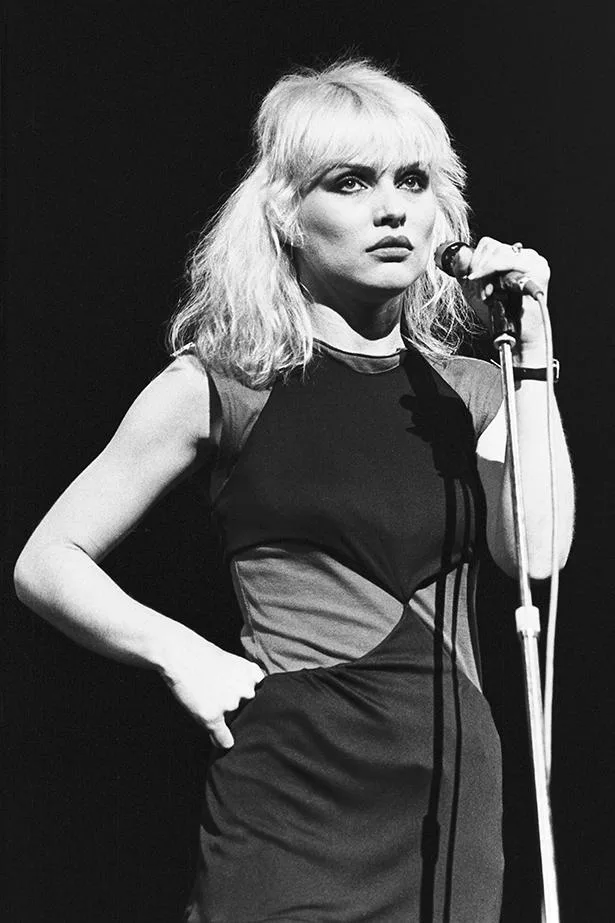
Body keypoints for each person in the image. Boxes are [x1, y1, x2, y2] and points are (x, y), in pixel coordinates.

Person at [14, 59, 575, 922]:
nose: (391, 208)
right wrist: (179, 652)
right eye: (350, 182)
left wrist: (531, 354)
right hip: (291, 797)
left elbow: (534, 553)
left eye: (412, 181)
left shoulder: (476, 390)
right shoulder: (222, 384)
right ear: (284, 213)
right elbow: (47, 559)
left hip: (449, 794)